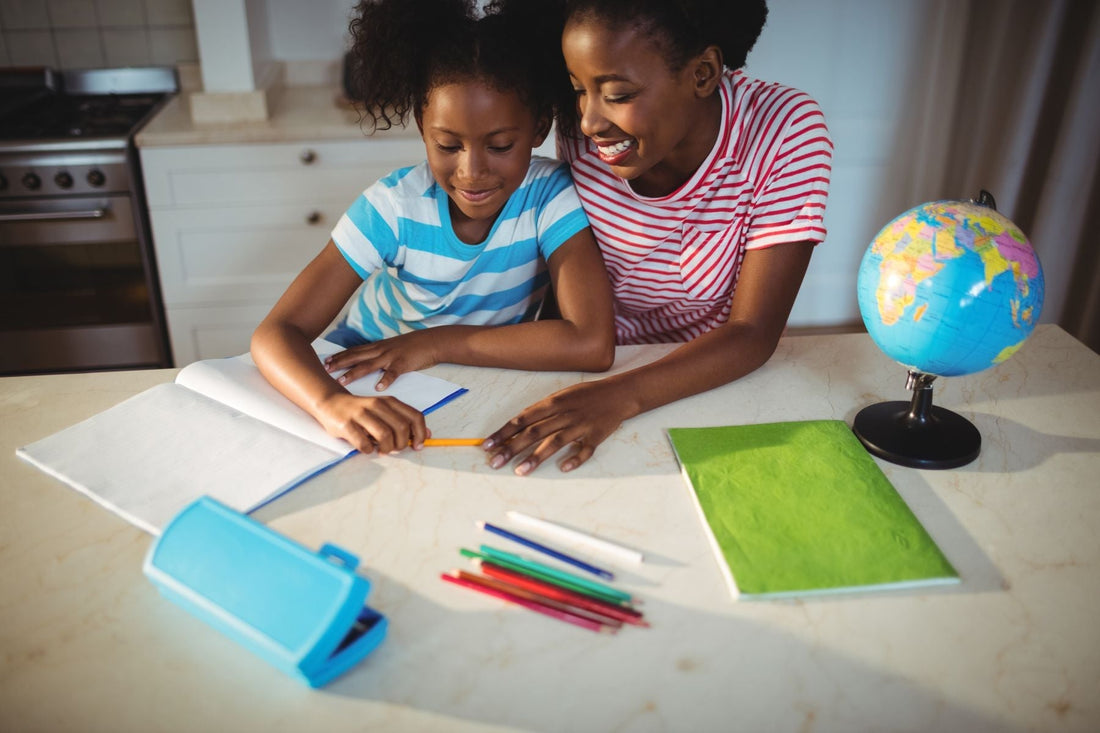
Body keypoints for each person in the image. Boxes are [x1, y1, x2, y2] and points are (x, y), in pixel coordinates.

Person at [251, 0, 615, 457]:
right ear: (422, 126)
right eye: (447, 145)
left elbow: (592, 343)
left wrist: (437, 343)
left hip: (465, 374)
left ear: (539, 126)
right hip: (370, 377)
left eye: (500, 145)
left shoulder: (549, 197)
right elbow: (275, 333)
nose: (472, 171)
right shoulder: (393, 208)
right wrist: (333, 404)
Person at [484, 0, 833, 474]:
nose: (588, 122)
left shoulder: (784, 130)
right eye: (578, 90)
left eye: (618, 94)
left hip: (709, 374)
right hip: (591, 359)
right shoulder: (579, 129)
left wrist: (616, 398)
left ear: (704, 73)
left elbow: (752, 333)